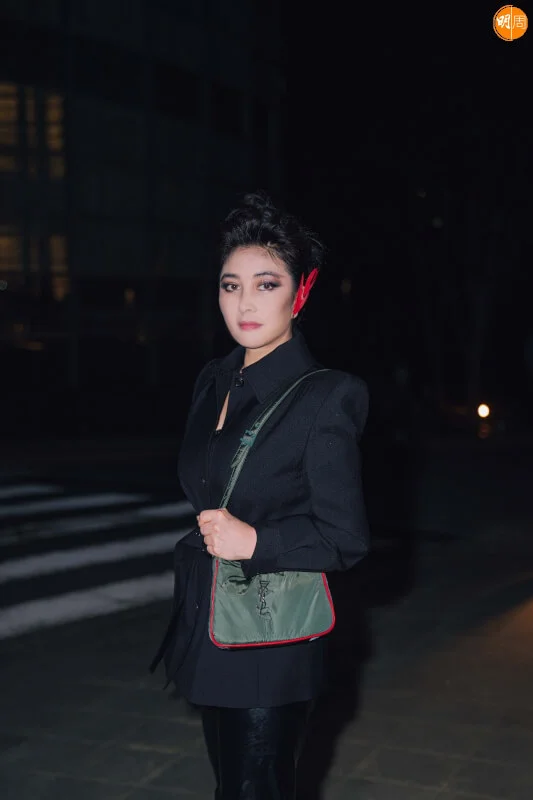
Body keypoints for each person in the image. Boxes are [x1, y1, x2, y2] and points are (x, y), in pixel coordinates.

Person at [151, 192, 370, 799]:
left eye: (266, 284)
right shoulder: (214, 379)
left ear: (300, 293)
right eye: (231, 285)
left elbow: (346, 537)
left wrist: (255, 540)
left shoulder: (326, 396)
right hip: (210, 618)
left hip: (271, 635)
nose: (245, 302)